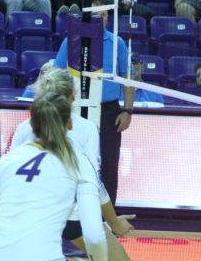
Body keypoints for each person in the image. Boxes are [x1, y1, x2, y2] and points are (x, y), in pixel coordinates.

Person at [8, 68, 131, 260]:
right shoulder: (86, 129)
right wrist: (113, 223)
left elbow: (12, 181)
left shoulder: (24, 129)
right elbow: (93, 185)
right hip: (74, 216)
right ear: (73, 96)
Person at [53, 4, 135, 207]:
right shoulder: (71, 41)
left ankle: (107, 219)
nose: (103, 18)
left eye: (105, 15)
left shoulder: (117, 44)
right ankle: (69, 213)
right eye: (98, 14)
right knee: (70, 161)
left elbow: (128, 78)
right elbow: (57, 75)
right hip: (76, 110)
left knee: (108, 165)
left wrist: (128, 111)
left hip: (108, 111)